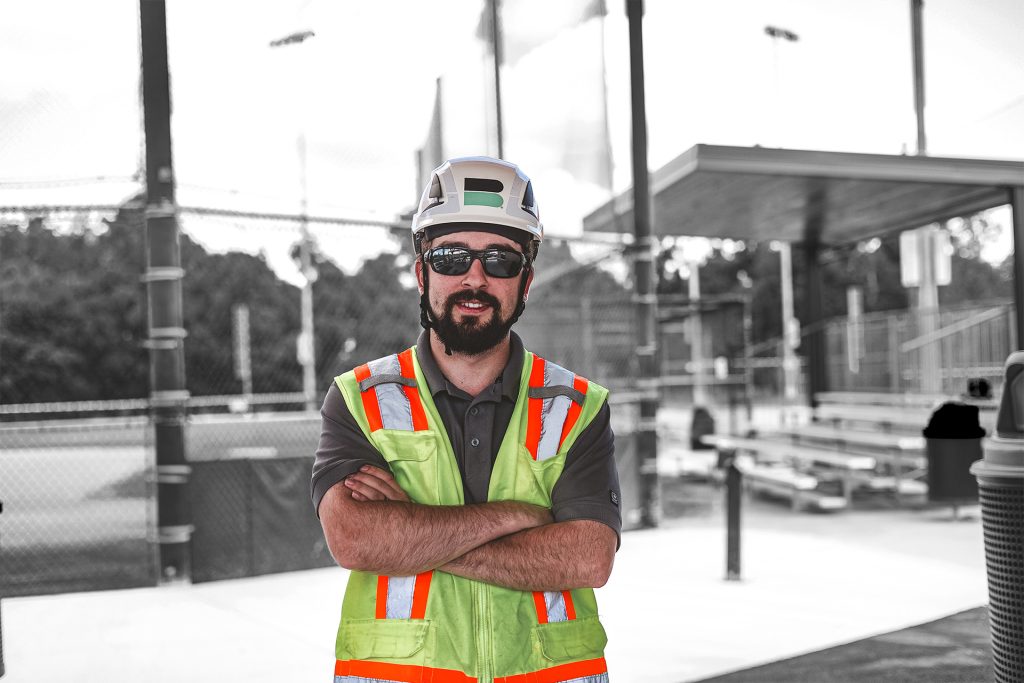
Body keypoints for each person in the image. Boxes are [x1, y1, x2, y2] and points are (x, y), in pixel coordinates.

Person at [312, 156, 620, 683]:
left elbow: (588, 558)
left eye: (500, 260)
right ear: (421, 272)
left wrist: (413, 540)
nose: (474, 278)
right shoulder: (357, 399)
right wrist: (516, 516)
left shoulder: (577, 407)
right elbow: (357, 542)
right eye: (452, 257)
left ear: (525, 282)